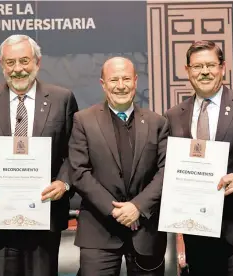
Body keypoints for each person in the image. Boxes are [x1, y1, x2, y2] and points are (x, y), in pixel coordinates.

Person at [0, 34, 78, 276]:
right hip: (0, 212)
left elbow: (75, 150)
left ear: (37, 62)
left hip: (45, 213)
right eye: (10, 62)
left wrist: (64, 183)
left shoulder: (61, 98)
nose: (18, 69)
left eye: (24, 61)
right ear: (2, 65)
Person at [164, 40, 233, 276]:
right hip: (197, 230)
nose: (204, 72)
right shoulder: (174, 115)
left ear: (222, 67)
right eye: (197, 67)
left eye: (210, 65)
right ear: (187, 71)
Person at [68, 57, 169, 276]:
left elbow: (166, 171)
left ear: (135, 80)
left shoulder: (157, 123)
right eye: (114, 80)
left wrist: (138, 207)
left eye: (126, 79)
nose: (121, 86)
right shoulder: (83, 120)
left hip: (146, 230)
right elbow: (79, 172)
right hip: (99, 230)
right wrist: (115, 210)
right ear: (103, 84)